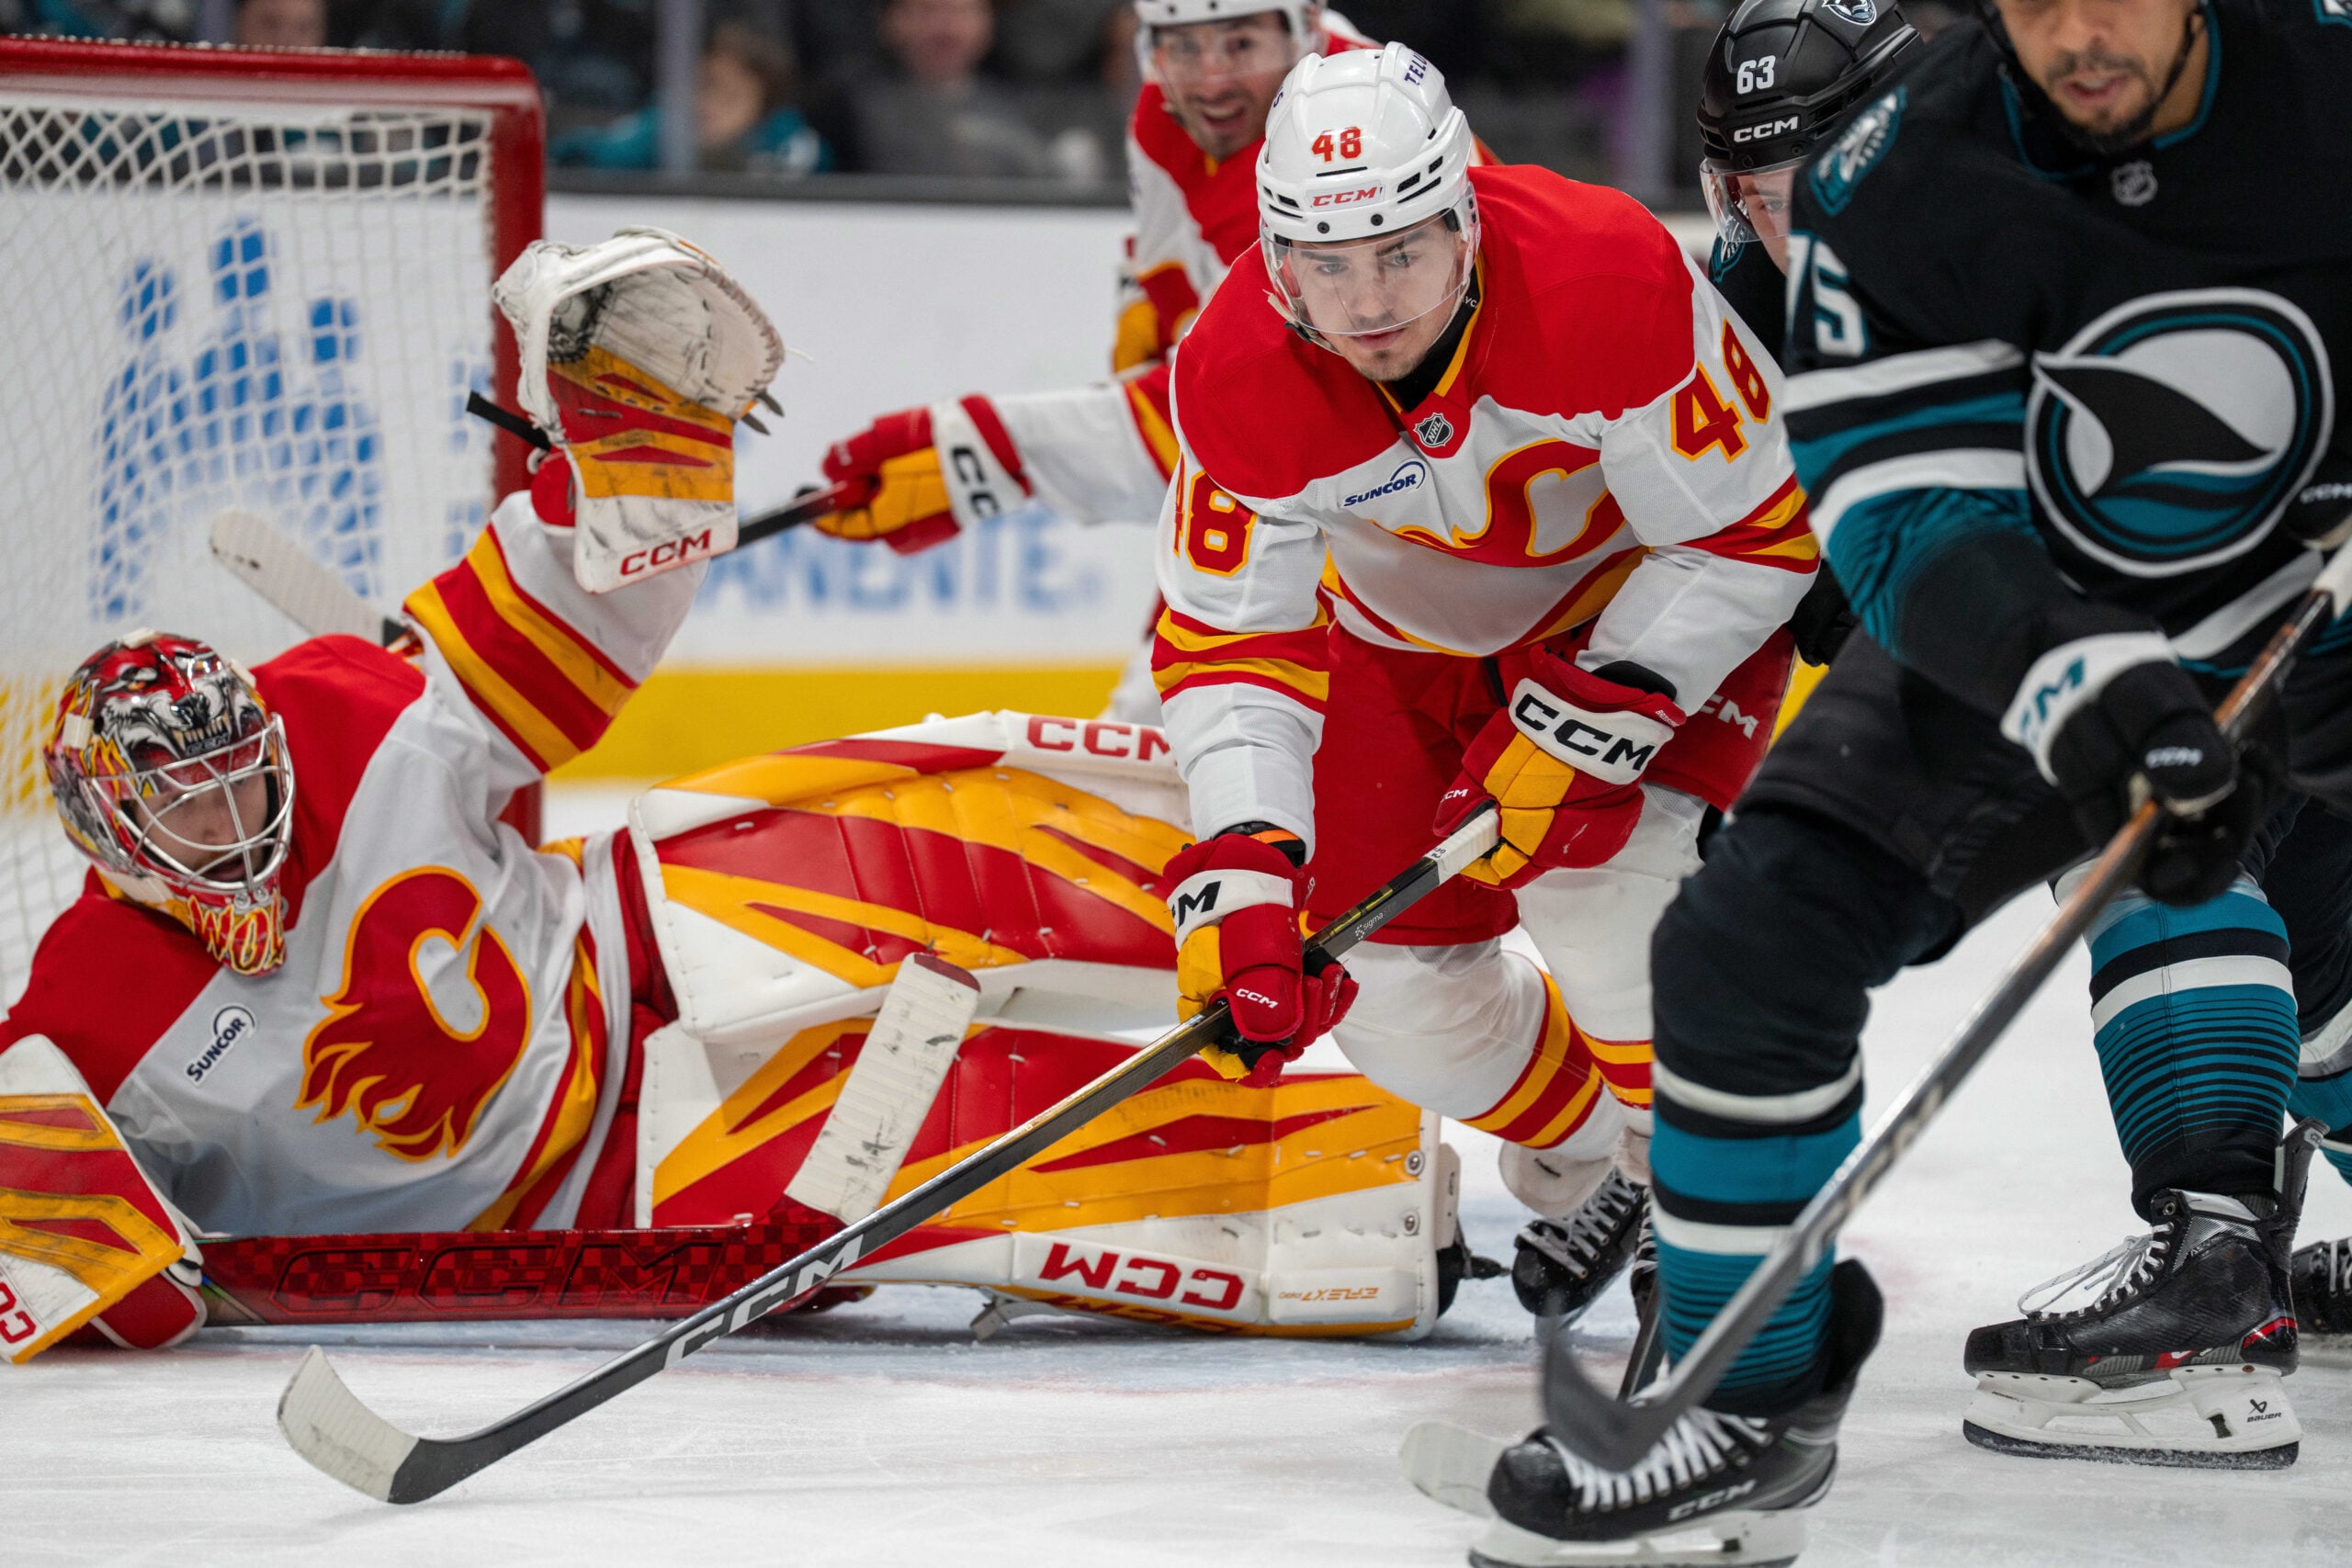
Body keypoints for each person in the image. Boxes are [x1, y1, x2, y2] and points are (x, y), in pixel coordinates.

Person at [1462, 0, 2352, 1556]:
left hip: (2285, 584)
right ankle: (1748, 1402)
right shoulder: (1834, 220)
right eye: (1743, 184)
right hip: (2037, 599)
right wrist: (2074, 674)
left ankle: (2218, 1257)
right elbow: (1896, 511)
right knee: (1761, 938)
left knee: (2289, 902)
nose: (1777, 214)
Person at [1148, 37, 1814, 1362]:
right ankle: (1607, 1153)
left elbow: (1749, 535)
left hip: (1646, 602)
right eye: (1326, 264)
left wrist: (1587, 726)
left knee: (1613, 898)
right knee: (1387, 991)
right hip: (1403, 650)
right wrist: (1244, 865)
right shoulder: (1233, 372)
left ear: (1466, 211)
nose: (1368, 299)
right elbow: (1231, 644)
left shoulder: (1605, 273)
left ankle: (1710, 1217)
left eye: (1401, 248)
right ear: (1278, 257)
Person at [808, 2, 1386, 728]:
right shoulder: (1166, 102)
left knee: (1190, 734)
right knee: (1167, 731)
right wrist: (1155, 316)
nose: (1210, 81)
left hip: (1416, 523)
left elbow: (1280, 415)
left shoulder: (1355, 150)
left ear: (1303, 29)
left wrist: (982, 450)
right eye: (1183, 47)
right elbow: (1179, 298)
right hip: (1315, 495)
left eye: (1241, 44)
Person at [550, 22, 833, 176]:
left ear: (763, 110)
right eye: (703, 87)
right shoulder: (656, 128)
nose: (707, 106)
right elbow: (588, 156)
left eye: (731, 98)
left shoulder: (791, 148)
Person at [826, 0, 1058, 178]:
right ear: (890, 20)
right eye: (928, 11)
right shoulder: (845, 110)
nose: (946, 29)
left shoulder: (1022, 109)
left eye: (961, 12)